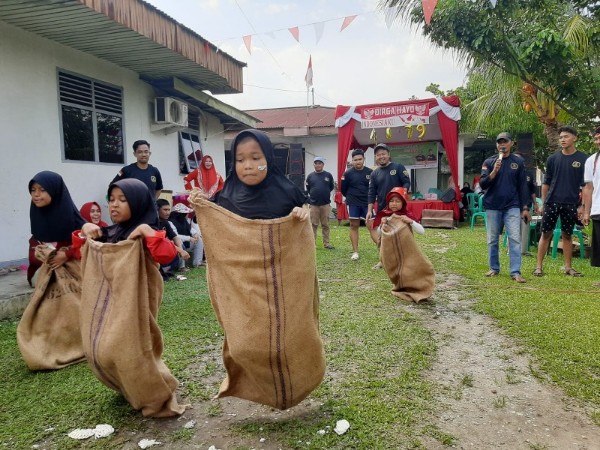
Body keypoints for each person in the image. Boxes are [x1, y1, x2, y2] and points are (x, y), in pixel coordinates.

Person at [75, 179, 176, 262]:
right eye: (111, 199)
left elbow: (168, 255)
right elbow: (79, 254)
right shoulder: (109, 232)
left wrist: (146, 230)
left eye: (122, 200)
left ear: (138, 204)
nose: (114, 204)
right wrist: (84, 231)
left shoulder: (146, 235)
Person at [217, 129, 307, 220]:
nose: (248, 166)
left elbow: (305, 209)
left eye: (255, 158)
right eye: (240, 160)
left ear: (268, 160)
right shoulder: (226, 197)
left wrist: (301, 212)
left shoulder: (289, 194)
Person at [533, 126, 587, 277]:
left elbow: (585, 186)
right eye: (561, 137)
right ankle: (538, 267)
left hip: (571, 203)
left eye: (566, 136)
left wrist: (582, 206)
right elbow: (546, 183)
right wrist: (544, 203)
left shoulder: (583, 159)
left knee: (567, 234)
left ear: (575, 138)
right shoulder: (553, 159)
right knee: (546, 233)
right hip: (552, 202)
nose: (562, 139)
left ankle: (568, 268)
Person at [479, 132, 530, 283]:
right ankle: (494, 268)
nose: (502, 145)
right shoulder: (489, 162)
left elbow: (523, 186)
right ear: (496, 145)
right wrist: (494, 171)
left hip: (512, 206)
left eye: (505, 142)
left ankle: (515, 272)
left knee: (514, 238)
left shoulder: (518, 162)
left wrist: (525, 207)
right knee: (492, 239)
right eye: (499, 142)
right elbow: (483, 184)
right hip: (493, 205)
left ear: (511, 143)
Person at [27, 171, 86, 286]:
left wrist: (67, 254)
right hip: (43, 271)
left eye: (42, 190)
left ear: (55, 191)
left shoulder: (73, 219)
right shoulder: (37, 216)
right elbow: (33, 256)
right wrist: (46, 256)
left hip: (71, 271)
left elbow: (89, 244)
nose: (36, 194)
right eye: (33, 190)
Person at [366, 143, 411, 245]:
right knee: (383, 233)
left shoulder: (398, 167)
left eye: (383, 154)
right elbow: (371, 193)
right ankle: (384, 258)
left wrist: (402, 195)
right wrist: (369, 211)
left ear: (388, 154)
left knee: (400, 233)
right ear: (375, 157)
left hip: (398, 208)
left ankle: (401, 257)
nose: (381, 156)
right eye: (378, 155)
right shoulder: (374, 173)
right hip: (382, 209)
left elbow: (406, 182)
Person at [371, 187, 424, 269]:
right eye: (391, 201)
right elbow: (379, 234)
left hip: (404, 246)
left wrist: (411, 221)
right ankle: (383, 261)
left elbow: (421, 231)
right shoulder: (385, 215)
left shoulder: (407, 215)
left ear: (403, 203)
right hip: (389, 246)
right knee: (382, 241)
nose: (394, 204)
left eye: (397, 201)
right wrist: (382, 225)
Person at [341, 149, 373, 260]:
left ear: (364, 159)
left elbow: (373, 189)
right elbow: (343, 189)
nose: (358, 162)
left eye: (360, 159)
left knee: (371, 226)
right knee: (354, 226)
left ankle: (381, 250)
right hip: (353, 203)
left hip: (367, 204)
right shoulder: (347, 174)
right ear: (352, 161)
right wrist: (352, 196)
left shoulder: (370, 172)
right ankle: (355, 252)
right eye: (355, 160)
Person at [581, 126, 600, 286]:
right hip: (598, 208)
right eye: (596, 136)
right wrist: (586, 211)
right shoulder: (592, 160)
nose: (597, 139)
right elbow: (588, 187)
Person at [306, 156, 335, 249]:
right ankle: (312, 243)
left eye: (320, 163)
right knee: (313, 225)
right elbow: (308, 189)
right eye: (316, 163)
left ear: (323, 164)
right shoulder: (310, 176)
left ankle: (326, 243)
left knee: (325, 224)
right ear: (314, 165)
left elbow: (331, 187)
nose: (317, 165)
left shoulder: (328, 175)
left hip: (325, 204)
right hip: (314, 205)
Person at [156, 199, 190, 277]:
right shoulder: (153, 222)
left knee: (177, 256)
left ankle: (164, 271)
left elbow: (174, 236)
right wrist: (180, 250)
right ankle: (160, 271)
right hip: (154, 249)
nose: (168, 212)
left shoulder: (165, 222)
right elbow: (161, 241)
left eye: (169, 210)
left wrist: (180, 249)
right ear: (157, 210)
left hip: (164, 247)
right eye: (165, 210)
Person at [169, 202, 204, 268]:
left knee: (199, 240)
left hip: (187, 243)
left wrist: (195, 234)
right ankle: (182, 267)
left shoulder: (184, 221)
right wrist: (189, 238)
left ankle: (197, 263)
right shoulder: (170, 222)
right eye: (186, 214)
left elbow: (191, 230)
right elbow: (175, 236)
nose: (187, 215)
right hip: (177, 245)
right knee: (179, 242)